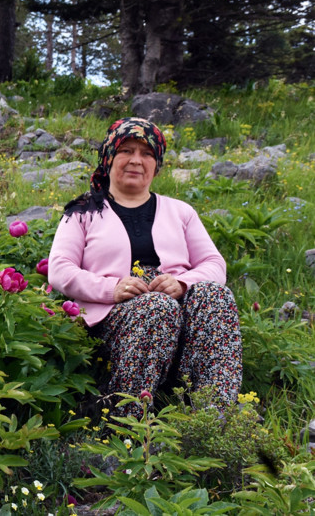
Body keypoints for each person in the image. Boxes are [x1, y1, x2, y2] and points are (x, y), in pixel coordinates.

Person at [48, 117, 242, 416]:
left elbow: (214, 263)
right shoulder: (83, 212)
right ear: (108, 158)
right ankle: (127, 417)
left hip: (178, 307)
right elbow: (60, 269)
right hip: (113, 315)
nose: (136, 160)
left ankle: (213, 414)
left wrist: (182, 284)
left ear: (156, 165)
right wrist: (112, 288)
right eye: (126, 150)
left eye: (147, 153)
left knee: (215, 296)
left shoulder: (181, 211)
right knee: (156, 307)